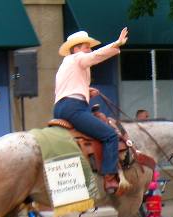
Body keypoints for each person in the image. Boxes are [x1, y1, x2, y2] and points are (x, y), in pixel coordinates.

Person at [54, 28, 129, 194]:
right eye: (86, 46)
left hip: (61, 108)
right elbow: (95, 57)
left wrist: (86, 91)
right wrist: (116, 44)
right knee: (110, 135)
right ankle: (109, 177)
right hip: (74, 107)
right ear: (76, 49)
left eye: (89, 46)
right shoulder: (78, 58)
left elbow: (68, 89)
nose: (90, 50)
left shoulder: (65, 64)